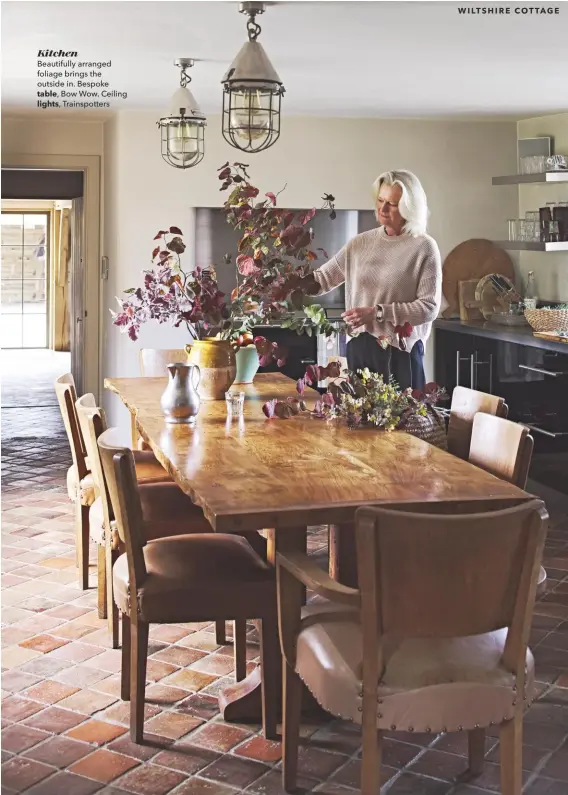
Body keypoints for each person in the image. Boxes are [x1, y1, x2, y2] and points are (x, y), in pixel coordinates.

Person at [300, 170, 442, 391]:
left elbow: (429, 308)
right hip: (361, 347)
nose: (383, 209)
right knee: (358, 422)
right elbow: (322, 279)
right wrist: (287, 282)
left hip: (400, 353)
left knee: (402, 424)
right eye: (380, 200)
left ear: (410, 208)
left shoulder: (424, 247)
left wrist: (377, 312)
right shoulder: (360, 243)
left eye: (392, 204)